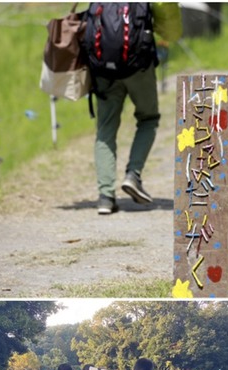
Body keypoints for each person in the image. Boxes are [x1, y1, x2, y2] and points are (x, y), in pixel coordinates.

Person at [85, 3, 182, 215]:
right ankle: (133, 175)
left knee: (105, 129)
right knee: (148, 119)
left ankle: (105, 197)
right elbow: (171, 30)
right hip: (138, 67)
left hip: (103, 69)